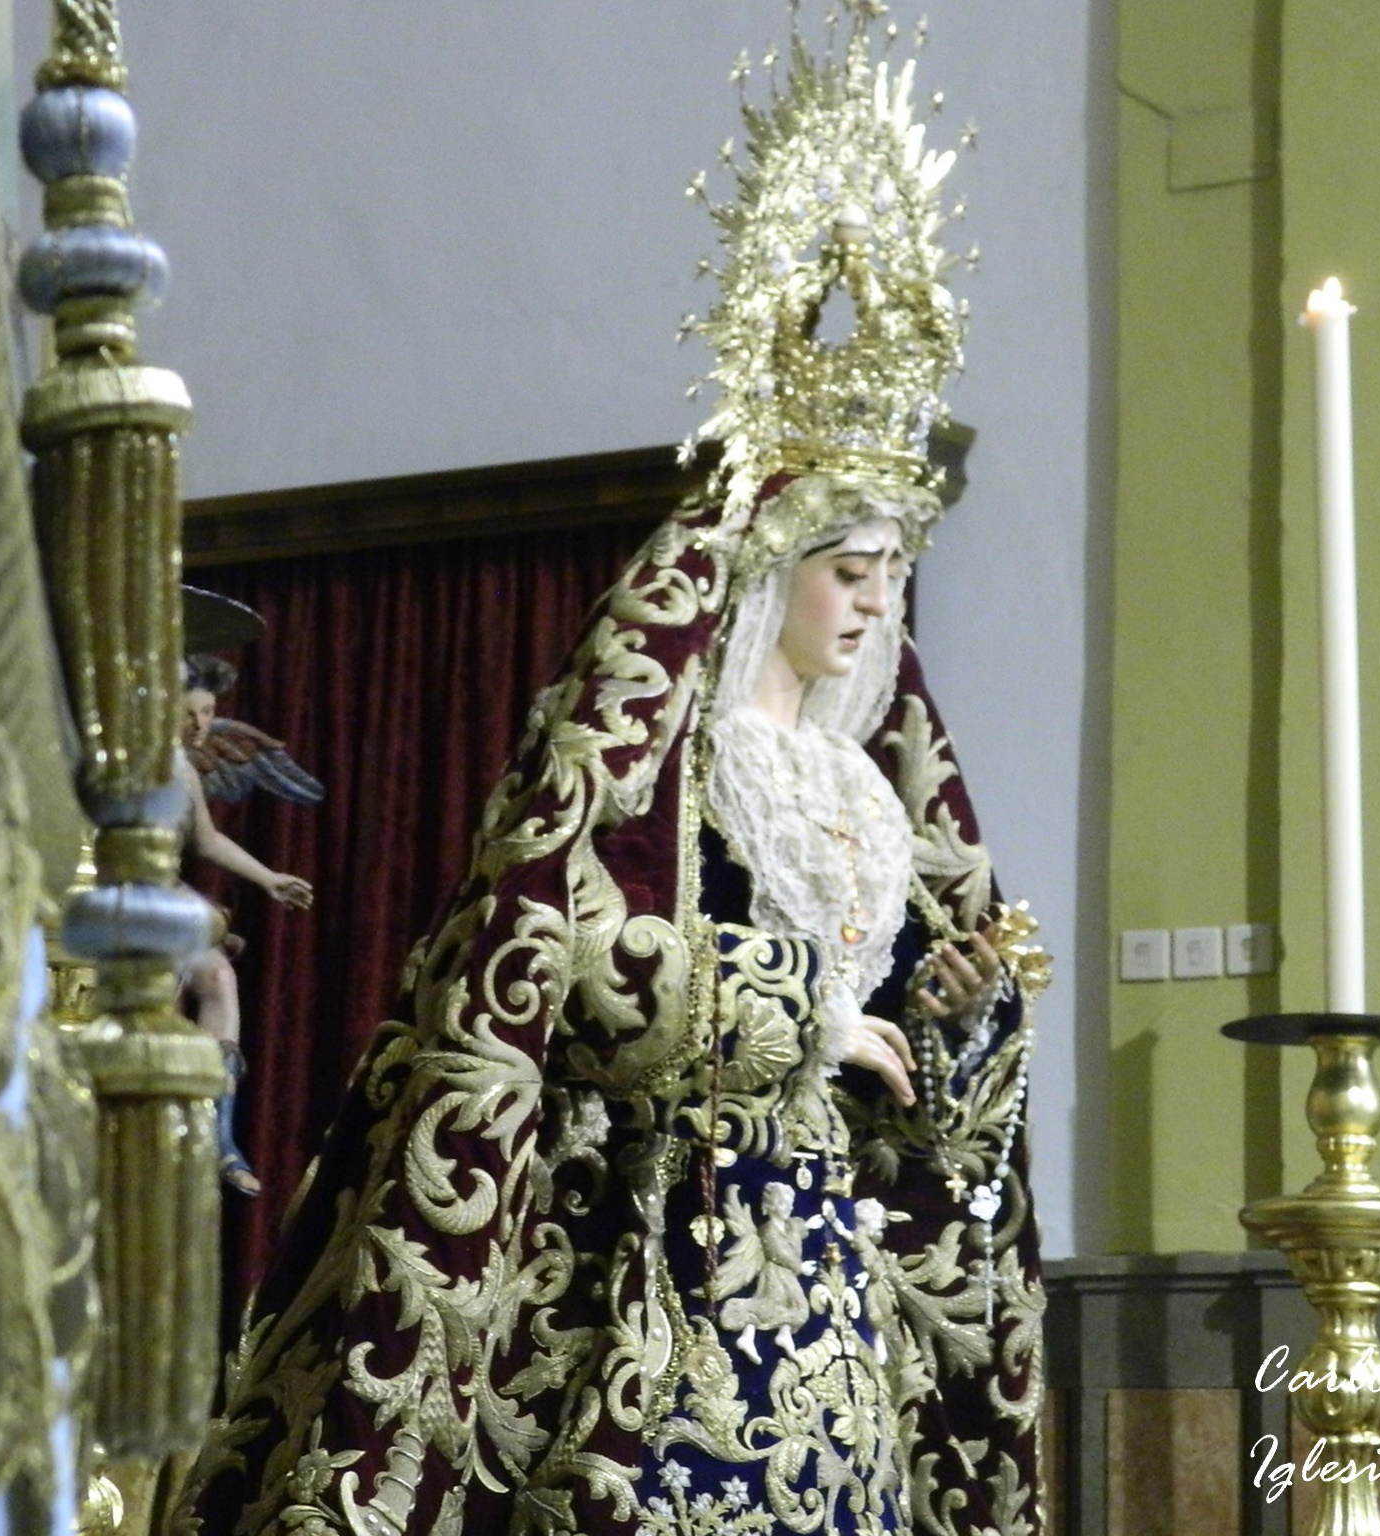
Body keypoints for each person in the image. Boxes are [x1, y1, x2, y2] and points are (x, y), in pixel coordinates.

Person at [175, 18, 1047, 1535]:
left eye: (891, 576)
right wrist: (806, 1018)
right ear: (766, 570)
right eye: (845, 570)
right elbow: (562, 950)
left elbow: (901, 1072)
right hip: (653, 1242)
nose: (871, 606)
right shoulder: (659, 757)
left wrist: (948, 1019)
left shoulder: (867, 789)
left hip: (828, 1262)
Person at [176, 669, 314, 1196]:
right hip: (125, 896)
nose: (200, 724)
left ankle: (219, 1133)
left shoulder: (184, 774)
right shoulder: (125, 762)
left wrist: (269, 878)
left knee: (218, 977)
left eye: (208, 712)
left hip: (167, 897)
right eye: (189, 712)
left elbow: (206, 840)